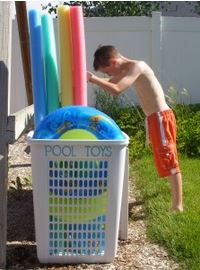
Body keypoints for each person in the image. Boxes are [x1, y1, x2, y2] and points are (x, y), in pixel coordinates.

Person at [87, 45, 183, 212]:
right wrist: (93, 78)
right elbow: (111, 83)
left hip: (161, 118)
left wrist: (92, 79)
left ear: (113, 62)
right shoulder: (125, 70)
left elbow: (116, 90)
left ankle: (178, 206)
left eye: (108, 71)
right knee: (164, 157)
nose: (109, 76)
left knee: (169, 160)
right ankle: (174, 196)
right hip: (154, 119)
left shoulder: (137, 66)